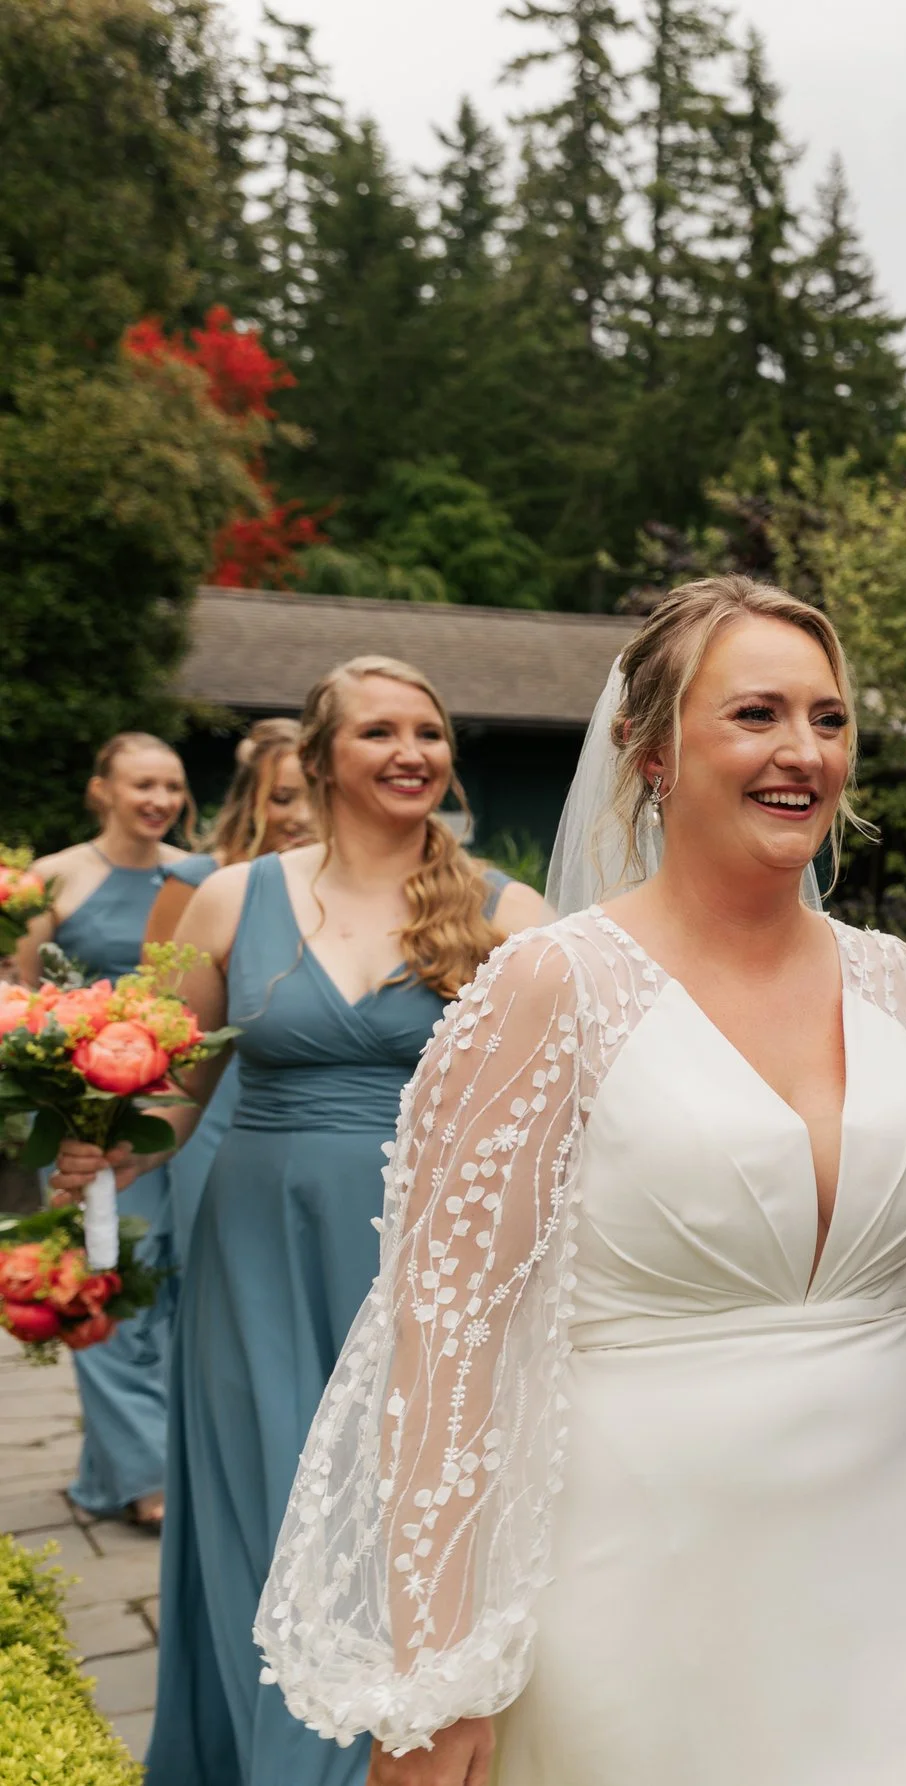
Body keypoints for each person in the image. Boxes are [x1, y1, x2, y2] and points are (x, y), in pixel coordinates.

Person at [248, 578, 906, 1786]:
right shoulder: (545, 992)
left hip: (898, 1567)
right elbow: (448, 1346)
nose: (803, 752)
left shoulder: (898, 985)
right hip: (634, 1575)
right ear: (650, 752)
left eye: (829, 719)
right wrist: (438, 1682)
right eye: (756, 714)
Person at [53, 657, 546, 1786]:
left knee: (400, 1526)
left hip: (428, 1259)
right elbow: (173, 1089)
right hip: (256, 1255)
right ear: (318, 760)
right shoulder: (228, 899)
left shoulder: (510, 911)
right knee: (270, 1526)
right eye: (380, 731)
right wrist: (101, 1144)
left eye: (430, 730)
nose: (413, 750)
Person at [18, 733, 198, 1530]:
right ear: (103, 790)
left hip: (174, 1102)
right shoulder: (56, 876)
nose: (159, 800)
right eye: (142, 785)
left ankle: (117, 1464)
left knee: (168, 1282)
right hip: (79, 1108)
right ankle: (143, 1474)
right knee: (103, 1274)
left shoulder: (197, 876)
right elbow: (20, 998)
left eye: (171, 786)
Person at [145, 719, 316, 1280]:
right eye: (284, 797)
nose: (302, 815)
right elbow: (155, 1009)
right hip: (210, 1095)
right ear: (252, 800)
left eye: (314, 796)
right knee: (214, 1254)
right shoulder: (199, 881)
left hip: (311, 1093)